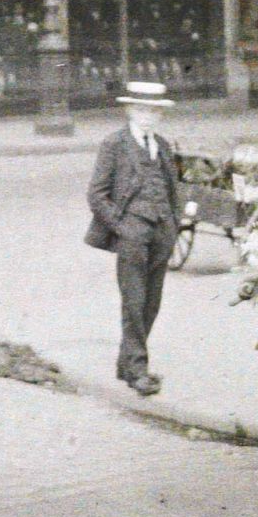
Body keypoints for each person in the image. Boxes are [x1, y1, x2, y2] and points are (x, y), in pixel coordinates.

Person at [84, 87, 181, 395]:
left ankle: (128, 365)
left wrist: (174, 224)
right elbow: (96, 195)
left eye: (154, 111)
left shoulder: (162, 146)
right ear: (129, 111)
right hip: (133, 234)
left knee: (151, 303)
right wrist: (122, 227)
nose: (148, 116)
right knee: (134, 301)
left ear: (160, 114)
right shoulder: (114, 144)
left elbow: (173, 188)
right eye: (142, 110)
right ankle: (138, 370)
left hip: (162, 231)